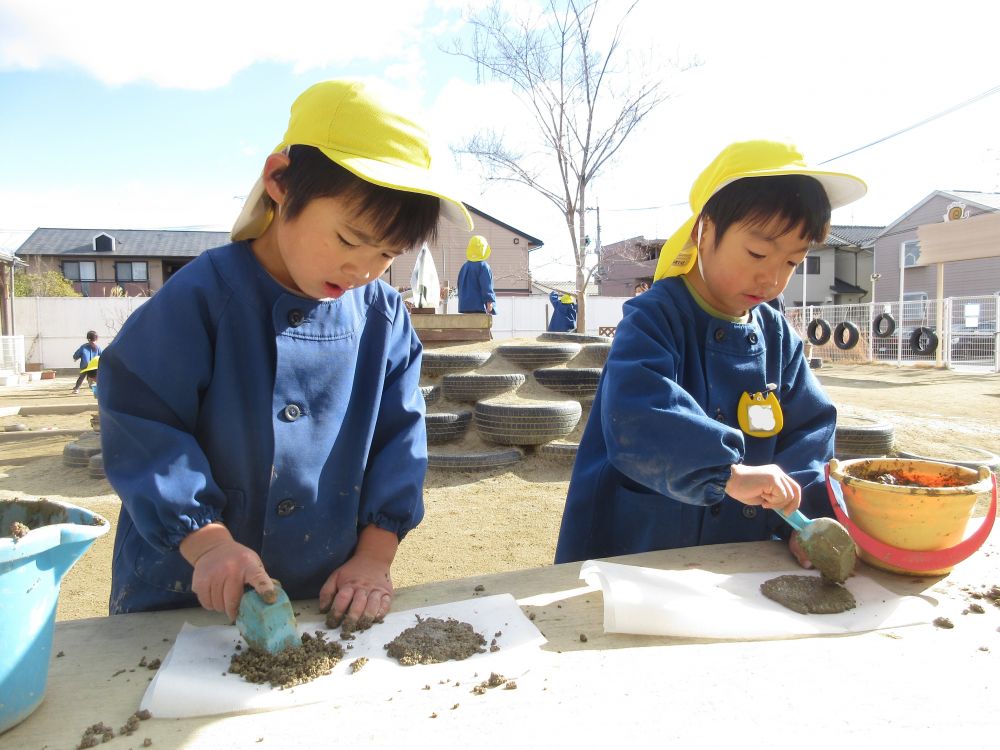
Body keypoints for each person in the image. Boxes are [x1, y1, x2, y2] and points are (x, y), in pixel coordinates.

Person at [98, 80, 474, 625]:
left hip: (316, 590)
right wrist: (207, 544)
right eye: (349, 240)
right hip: (182, 589)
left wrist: (373, 557)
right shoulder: (202, 298)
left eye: (387, 254)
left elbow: (401, 441)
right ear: (279, 182)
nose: (362, 271)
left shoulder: (384, 318)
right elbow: (141, 419)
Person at [554, 140, 866, 565]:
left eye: (792, 262)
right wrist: (727, 472)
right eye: (757, 252)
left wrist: (802, 515)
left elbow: (810, 431)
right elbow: (636, 414)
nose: (772, 277)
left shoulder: (777, 337)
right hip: (637, 549)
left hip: (739, 556)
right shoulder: (655, 319)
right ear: (704, 231)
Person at [456, 235, 496, 315]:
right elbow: (486, 287)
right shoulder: (483, 266)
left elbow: (459, 286)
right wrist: (489, 304)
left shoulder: (464, 267)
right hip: (479, 308)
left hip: (464, 308)